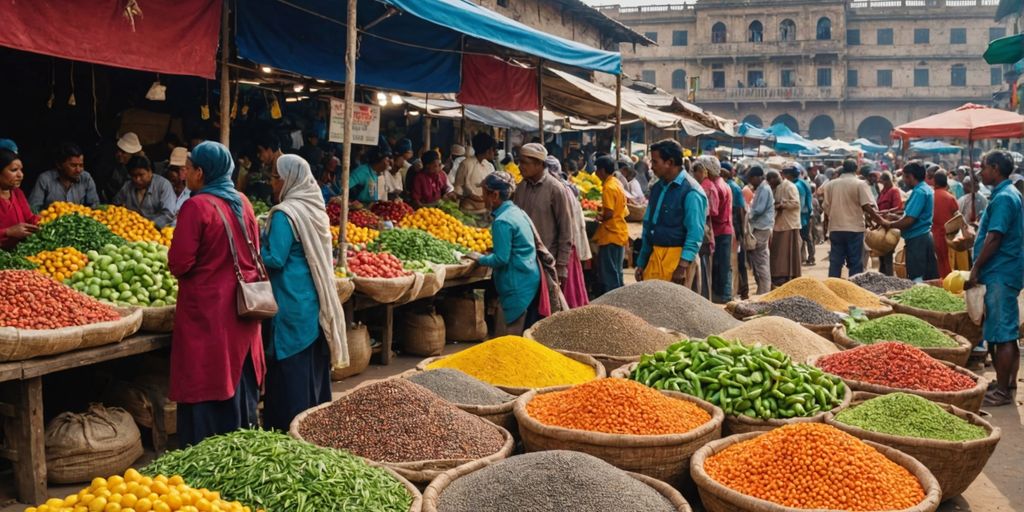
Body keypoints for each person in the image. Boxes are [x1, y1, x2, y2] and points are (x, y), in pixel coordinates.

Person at [168, 141, 266, 446]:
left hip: (208, 313)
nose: (184, 174)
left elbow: (179, 263)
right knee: (237, 376)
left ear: (200, 172)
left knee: (206, 376)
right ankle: (239, 446)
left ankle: (204, 449)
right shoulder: (243, 202)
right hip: (243, 308)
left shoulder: (196, 206)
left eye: (188, 167)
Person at [261, 154, 347, 431]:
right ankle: (315, 425)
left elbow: (274, 258)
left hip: (289, 300)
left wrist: (250, 246)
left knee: (290, 369)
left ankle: (290, 429)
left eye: (276, 178)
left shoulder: (286, 214)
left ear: (289, 180)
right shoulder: (314, 209)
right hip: (312, 298)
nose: (273, 183)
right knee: (311, 368)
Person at [967, 150, 1023, 407]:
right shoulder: (1009, 194)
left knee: (1003, 334)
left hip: (1000, 271)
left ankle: (1002, 391)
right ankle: (1007, 382)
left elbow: (995, 237)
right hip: (1005, 270)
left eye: (985, 167)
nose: (981, 172)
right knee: (1006, 331)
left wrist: (976, 267)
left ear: (996, 168)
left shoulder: (1003, 198)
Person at [470, 172, 541, 336]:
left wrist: (479, 259)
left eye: (484, 193)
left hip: (516, 284)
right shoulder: (516, 212)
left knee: (508, 339)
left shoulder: (502, 221)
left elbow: (501, 259)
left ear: (494, 195)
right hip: (528, 279)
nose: (482, 197)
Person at [635, 139, 707, 286]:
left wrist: (682, 267)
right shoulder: (657, 188)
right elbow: (649, 227)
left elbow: (695, 233)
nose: (651, 167)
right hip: (655, 259)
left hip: (678, 263)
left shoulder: (692, 191)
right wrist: (642, 262)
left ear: (670, 162)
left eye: (655, 162)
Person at [513, 144, 574, 293]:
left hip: (546, 261)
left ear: (539, 164)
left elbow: (565, 230)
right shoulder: (521, 187)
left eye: (524, 163)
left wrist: (561, 266)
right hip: (523, 260)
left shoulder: (555, 189)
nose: (520, 167)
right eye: (519, 162)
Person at [821, 158, 885, 278]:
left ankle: (832, 288)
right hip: (854, 229)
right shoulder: (860, 184)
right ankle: (854, 289)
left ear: (843, 168)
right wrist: (880, 221)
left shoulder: (830, 185)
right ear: (857, 169)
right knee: (855, 262)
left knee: (835, 262)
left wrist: (827, 226)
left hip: (835, 229)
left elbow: (825, 208)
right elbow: (867, 206)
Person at [544, 155, 590, 308]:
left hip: (563, 248)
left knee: (563, 293)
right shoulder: (565, 187)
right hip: (567, 247)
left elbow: (564, 225)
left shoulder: (558, 190)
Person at [883, 161, 939, 281]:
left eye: (904, 177)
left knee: (917, 277)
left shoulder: (919, 192)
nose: (903, 180)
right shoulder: (926, 189)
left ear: (910, 176)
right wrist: (895, 217)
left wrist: (889, 224)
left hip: (918, 240)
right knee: (928, 277)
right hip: (924, 237)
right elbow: (912, 216)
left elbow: (909, 220)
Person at [592, 156, 628, 295]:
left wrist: (599, 216)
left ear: (602, 170)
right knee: (616, 271)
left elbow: (609, 213)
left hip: (611, 233)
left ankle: (612, 303)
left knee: (608, 272)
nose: (595, 174)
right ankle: (620, 299)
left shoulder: (608, 187)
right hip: (619, 231)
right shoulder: (616, 182)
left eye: (596, 170)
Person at [28, 142, 100, 211]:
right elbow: (34, 208)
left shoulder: (86, 178)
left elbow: (94, 206)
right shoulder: (45, 179)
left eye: (81, 165)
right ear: (59, 165)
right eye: (73, 165)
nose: (78, 170)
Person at [113, 155, 178, 228]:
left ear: (150, 171)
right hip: (131, 229)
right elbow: (115, 205)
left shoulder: (163, 185)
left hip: (158, 231)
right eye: (134, 176)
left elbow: (168, 214)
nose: (137, 179)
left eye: (141, 175)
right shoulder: (127, 186)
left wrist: (148, 225)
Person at [704, 157, 734, 303]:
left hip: (720, 230)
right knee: (723, 265)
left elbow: (715, 213)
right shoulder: (721, 184)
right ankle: (724, 295)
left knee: (721, 266)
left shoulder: (715, 187)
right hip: (724, 229)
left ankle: (722, 296)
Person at [0, 149, 39, 249]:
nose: (20, 175)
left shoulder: (17, 193)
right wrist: (8, 232)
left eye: (21, 170)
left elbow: (29, 218)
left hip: (18, 252)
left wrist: (47, 221)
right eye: (14, 170)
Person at [769, 168, 802, 287]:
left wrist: (782, 205)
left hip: (789, 224)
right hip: (779, 223)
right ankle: (779, 276)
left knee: (786, 252)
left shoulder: (790, 186)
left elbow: (796, 203)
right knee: (778, 252)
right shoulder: (777, 188)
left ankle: (788, 276)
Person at [455, 133, 497, 223]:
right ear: (487, 150)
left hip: (486, 211)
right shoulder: (466, 164)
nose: (495, 153)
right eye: (493, 149)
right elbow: (458, 188)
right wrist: (470, 196)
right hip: (468, 212)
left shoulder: (489, 166)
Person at [723, 164, 749, 300]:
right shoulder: (733, 187)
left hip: (734, 230)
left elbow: (740, 212)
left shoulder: (732, 187)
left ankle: (742, 291)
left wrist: (740, 233)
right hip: (734, 229)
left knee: (736, 262)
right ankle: (742, 290)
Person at [747, 166, 774, 294]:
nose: (751, 182)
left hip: (761, 227)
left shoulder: (764, 189)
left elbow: (759, 209)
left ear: (758, 177)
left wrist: (747, 215)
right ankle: (762, 289)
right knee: (759, 259)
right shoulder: (762, 188)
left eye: (752, 179)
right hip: (760, 226)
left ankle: (764, 291)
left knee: (761, 259)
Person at [95, 132, 144, 202]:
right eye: (119, 150)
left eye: (124, 152)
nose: (119, 154)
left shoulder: (137, 167)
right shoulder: (108, 164)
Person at [931, 171, 960, 278]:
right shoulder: (950, 197)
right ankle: (947, 284)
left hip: (931, 234)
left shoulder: (930, 196)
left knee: (935, 262)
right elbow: (957, 216)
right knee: (945, 261)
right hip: (947, 236)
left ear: (935, 182)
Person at [875, 171, 903, 275]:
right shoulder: (883, 191)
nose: (881, 183)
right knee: (881, 255)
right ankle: (882, 277)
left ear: (887, 181)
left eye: (883, 181)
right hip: (880, 225)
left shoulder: (894, 191)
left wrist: (887, 213)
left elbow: (898, 208)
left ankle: (889, 279)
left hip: (889, 226)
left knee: (887, 256)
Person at [793, 169, 814, 266]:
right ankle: (808, 257)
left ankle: (809, 258)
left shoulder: (797, 185)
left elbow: (800, 202)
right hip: (808, 213)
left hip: (802, 215)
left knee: (803, 237)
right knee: (807, 237)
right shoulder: (804, 183)